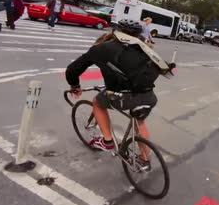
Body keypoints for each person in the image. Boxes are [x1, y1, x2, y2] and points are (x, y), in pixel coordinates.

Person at [65, 19, 168, 167]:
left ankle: (107, 141)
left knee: (97, 102)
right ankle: (144, 160)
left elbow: (72, 70)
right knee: (139, 123)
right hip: (148, 95)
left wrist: (75, 86)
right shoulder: (145, 48)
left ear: (116, 31)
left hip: (122, 97)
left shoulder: (101, 48)